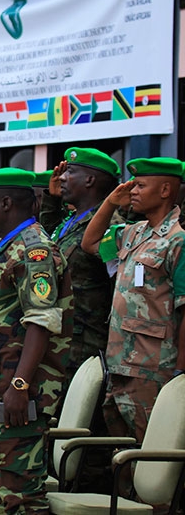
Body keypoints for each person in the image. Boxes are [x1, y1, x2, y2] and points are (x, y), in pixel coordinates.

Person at [0, 168, 71, 513]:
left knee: (19, 495)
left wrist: (20, 386)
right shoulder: (5, 245)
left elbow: (41, 322)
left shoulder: (34, 251)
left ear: (6, 203)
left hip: (16, 393)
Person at [81, 157, 185, 442]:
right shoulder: (133, 232)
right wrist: (111, 203)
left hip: (154, 367)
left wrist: (180, 372)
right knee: (123, 453)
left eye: (140, 185)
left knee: (153, 452)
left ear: (165, 190)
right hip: (120, 360)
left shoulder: (179, 239)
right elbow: (90, 243)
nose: (133, 191)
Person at [41, 147, 120, 379]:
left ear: (90, 180)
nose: (62, 177)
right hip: (60, 338)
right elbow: (44, 252)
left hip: (85, 344)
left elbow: (116, 281)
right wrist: (51, 202)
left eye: (70, 171)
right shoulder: (69, 220)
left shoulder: (109, 226)